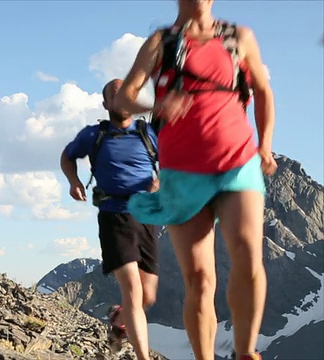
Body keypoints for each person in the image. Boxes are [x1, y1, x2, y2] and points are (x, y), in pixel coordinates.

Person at [112, 1, 277, 360]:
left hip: (238, 160)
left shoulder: (239, 37)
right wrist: (155, 107)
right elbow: (125, 94)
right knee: (200, 281)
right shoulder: (162, 41)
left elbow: (263, 91)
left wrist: (264, 146)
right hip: (182, 170)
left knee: (248, 254)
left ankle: (246, 352)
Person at [60, 79, 160, 360]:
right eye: (114, 95)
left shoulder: (147, 133)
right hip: (114, 214)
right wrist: (73, 181)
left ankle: (119, 319)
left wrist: (160, 183)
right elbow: (67, 157)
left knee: (147, 296)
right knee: (132, 288)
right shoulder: (94, 135)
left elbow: (170, 165)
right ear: (106, 104)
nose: (121, 98)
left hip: (147, 217)